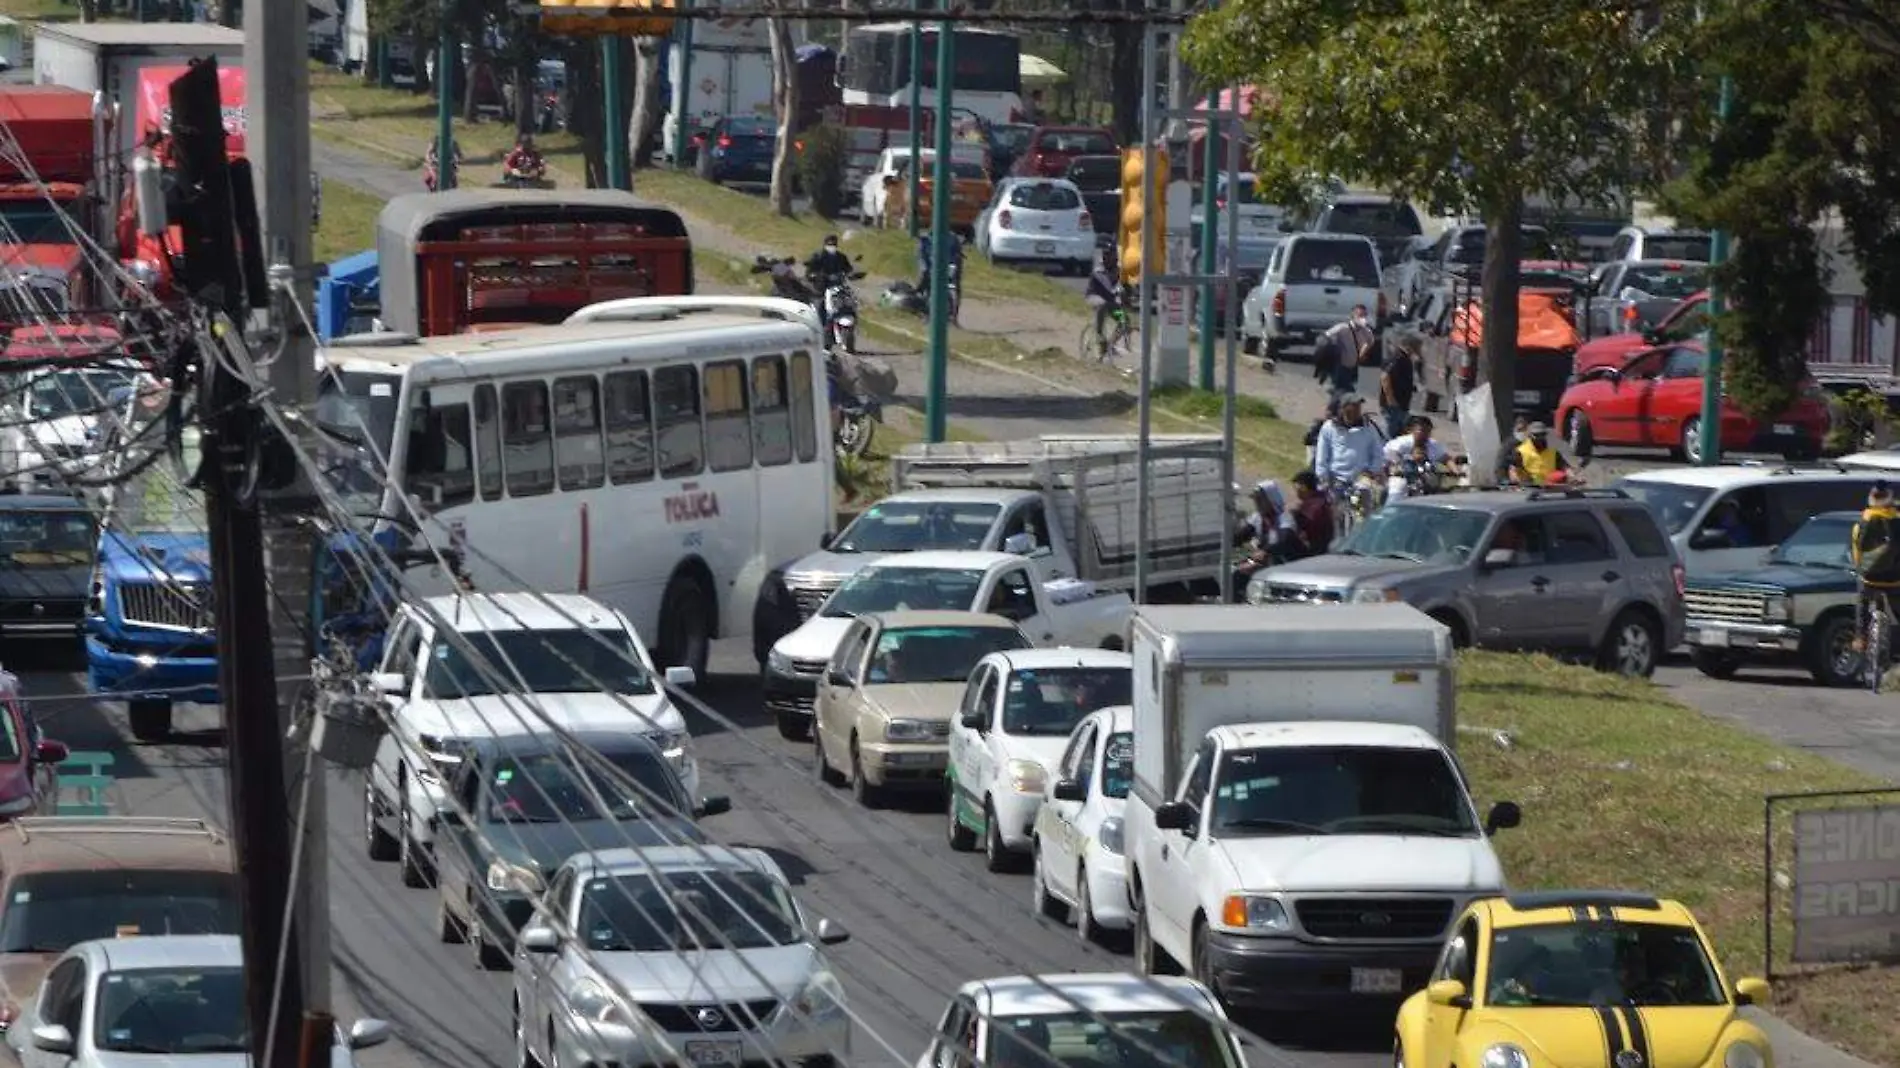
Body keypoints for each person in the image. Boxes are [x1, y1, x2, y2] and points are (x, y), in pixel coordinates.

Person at [1852, 483, 1900, 647]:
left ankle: (1860, 638)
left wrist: (1860, 569)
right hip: (1895, 580)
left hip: (1869, 579)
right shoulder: (1897, 520)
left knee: (1863, 603)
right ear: (1890, 498)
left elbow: (1857, 550)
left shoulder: (1864, 520)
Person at [1234, 479, 1297, 595]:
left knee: (1241, 575)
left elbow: (1284, 539)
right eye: (1256, 500)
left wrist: (1265, 552)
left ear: (1270, 499)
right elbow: (1241, 536)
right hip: (1263, 562)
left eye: (1260, 500)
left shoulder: (1284, 518)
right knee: (1236, 572)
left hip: (1283, 563)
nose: (1257, 503)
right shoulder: (1257, 518)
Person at [1313, 394, 1384, 495]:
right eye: (1353, 405)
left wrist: (1371, 471)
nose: (1357, 409)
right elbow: (1321, 456)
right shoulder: (1329, 427)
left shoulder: (1369, 428)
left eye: (1358, 406)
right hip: (1335, 479)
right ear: (1343, 408)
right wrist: (1323, 477)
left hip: (1361, 480)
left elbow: (1378, 453)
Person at [1383, 416, 1454, 501]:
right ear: (1411, 430)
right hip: (1402, 477)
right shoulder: (1401, 443)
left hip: (1425, 479)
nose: (1425, 434)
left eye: (1428, 431)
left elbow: (1446, 458)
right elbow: (1390, 455)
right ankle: (1390, 510)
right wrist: (1398, 466)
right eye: (1422, 430)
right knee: (1398, 489)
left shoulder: (1433, 444)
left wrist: (1456, 471)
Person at [1316, 304, 1377, 398]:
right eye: (1360, 315)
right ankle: (1331, 410)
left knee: (1349, 391)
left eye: (1364, 315)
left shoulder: (1367, 332)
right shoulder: (1342, 328)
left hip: (1353, 366)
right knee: (1342, 391)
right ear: (1352, 316)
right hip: (1340, 365)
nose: (1362, 318)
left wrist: (1363, 352)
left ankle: (1336, 403)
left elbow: (1370, 342)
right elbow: (1325, 337)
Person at [1501, 421, 1570, 485]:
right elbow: (1513, 470)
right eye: (1536, 435)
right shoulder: (1520, 452)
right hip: (1529, 488)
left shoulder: (1553, 453)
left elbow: (1565, 468)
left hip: (1551, 488)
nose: (1539, 438)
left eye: (1542, 435)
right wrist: (1517, 481)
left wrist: (1572, 475)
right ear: (1530, 436)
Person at [1084, 249, 1123, 357]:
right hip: (1094, 297)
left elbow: (1122, 284)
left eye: (1113, 255)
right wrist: (1117, 292)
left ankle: (1110, 345)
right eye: (1108, 255)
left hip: (1109, 301)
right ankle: (1099, 334)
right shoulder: (1099, 270)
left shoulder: (1117, 270)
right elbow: (1108, 286)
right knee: (1102, 304)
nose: (1112, 258)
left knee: (1123, 320)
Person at [1288, 470, 1335, 557]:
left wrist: (1295, 516)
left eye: (1296, 487)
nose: (1295, 491)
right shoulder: (1317, 501)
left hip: (1314, 552)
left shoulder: (1316, 506)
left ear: (1303, 487)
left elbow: (1308, 526)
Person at [1380, 336, 1418, 436]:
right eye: (1417, 346)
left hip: (1401, 405)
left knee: (1399, 434)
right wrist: (1390, 399)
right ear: (1410, 346)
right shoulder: (1398, 357)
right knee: (1390, 435)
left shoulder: (1405, 358)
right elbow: (1385, 376)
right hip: (1394, 405)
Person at [917, 228, 964, 294]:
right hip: (930, 265)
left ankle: (954, 296)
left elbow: (956, 254)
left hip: (949, 264)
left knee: (953, 278)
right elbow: (922, 256)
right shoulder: (925, 239)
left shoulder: (953, 238)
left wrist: (953, 263)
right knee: (925, 273)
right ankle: (921, 292)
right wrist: (925, 268)